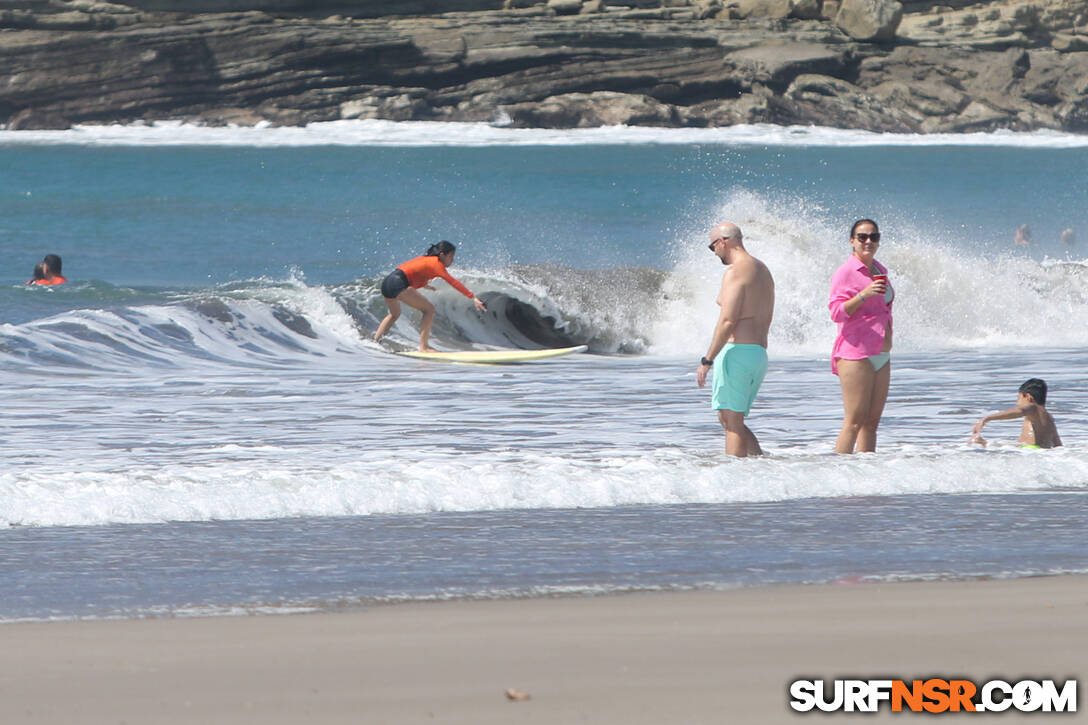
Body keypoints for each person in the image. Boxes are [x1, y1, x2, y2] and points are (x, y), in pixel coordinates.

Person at [695, 222, 775, 457]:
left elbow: (728, 320)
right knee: (731, 419)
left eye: (713, 247)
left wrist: (707, 359)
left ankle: (734, 482)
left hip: (737, 352)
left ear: (723, 242)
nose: (715, 253)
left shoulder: (735, 272)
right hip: (758, 354)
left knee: (731, 421)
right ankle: (761, 464)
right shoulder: (762, 270)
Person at [829, 219, 894, 454]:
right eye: (862, 237)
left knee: (871, 424)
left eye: (873, 237)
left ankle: (867, 480)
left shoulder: (879, 269)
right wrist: (863, 295)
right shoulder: (846, 272)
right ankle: (838, 475)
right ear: (852, 241)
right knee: (854, 422)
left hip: (882, 353)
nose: (868, 241)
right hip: (856, 353)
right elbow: (836, 312)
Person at [373, 240, 487, 352]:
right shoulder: (436, 264)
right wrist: (473, 297)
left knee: (394, 314)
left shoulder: (426, 259)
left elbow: (413, 273)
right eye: (451, 256)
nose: (453, 260)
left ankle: (376, 342)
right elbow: (453, 282)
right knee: (429, 310)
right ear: (442, 255)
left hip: (388, 283)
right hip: (398, 284)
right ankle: (423, 347)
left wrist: (425, 285)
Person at [970, 378, 1062, 449]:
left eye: (1018, 398)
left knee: (977, 442)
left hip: (1029, 449)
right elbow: (1057, 442)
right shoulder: (1048, 416)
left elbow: (1020, 411)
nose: (1017, 403)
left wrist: (986, 418)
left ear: (1028, 397)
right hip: (1041, 451)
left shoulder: (1033, 408)